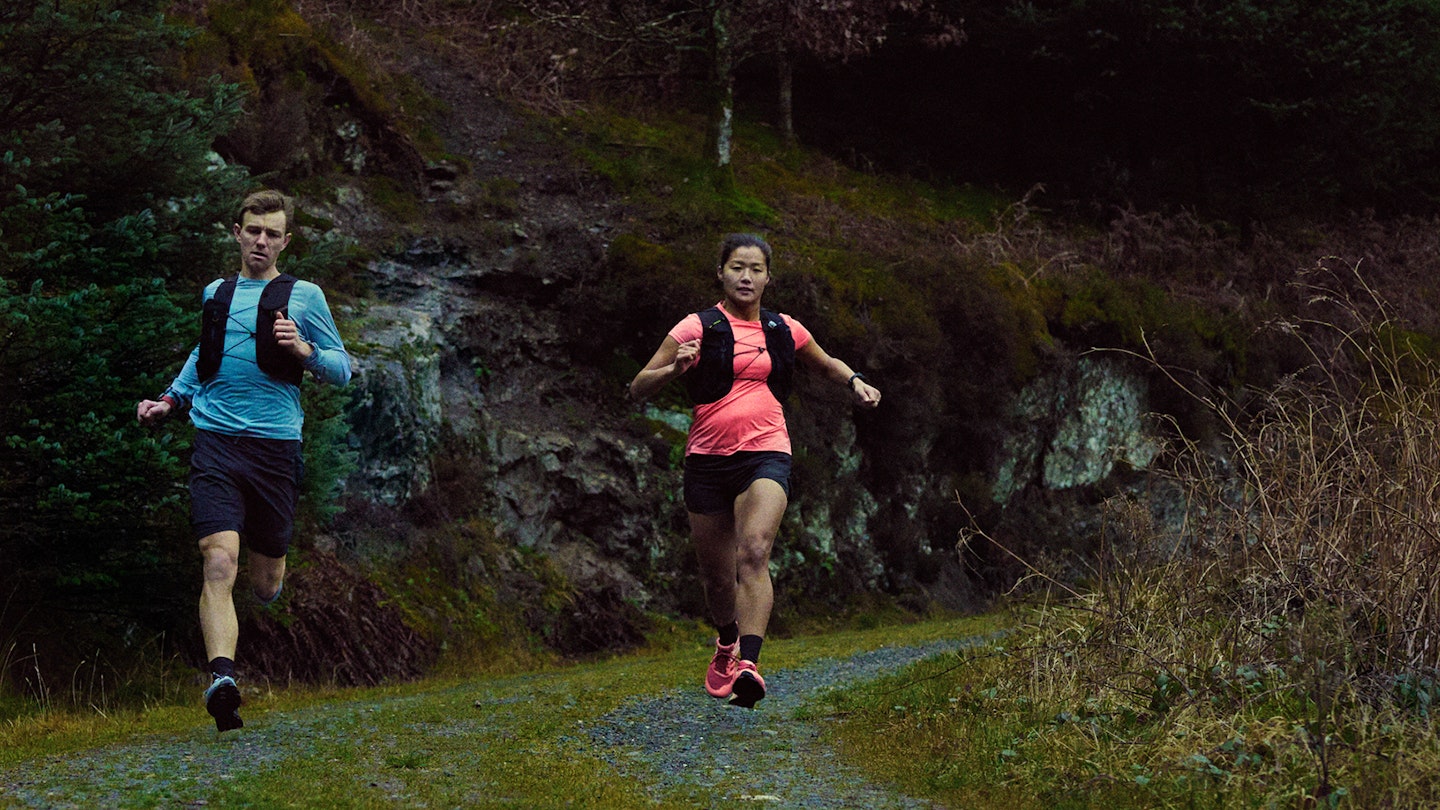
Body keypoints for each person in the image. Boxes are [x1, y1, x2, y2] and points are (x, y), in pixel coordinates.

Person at [628, 233, 881, 708]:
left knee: (755, 551)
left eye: (756, 269)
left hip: (766, 451)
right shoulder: (695, 326)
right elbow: (639, 386)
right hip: (706, 459)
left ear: (769, 277)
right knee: (718, 577)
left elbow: (827, 364)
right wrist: (673, 371)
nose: (746, 277)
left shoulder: (784, 328)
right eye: (737, 268)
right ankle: (726, 644)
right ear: (720, 273)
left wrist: (856, 382)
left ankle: (749, 665)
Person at [136, 189, 351, 731]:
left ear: (285, 241)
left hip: (275, 450)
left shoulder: (304, 296)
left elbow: (343, 368)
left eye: (272, 233)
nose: (261, 240)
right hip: (215, 441)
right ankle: (223, 680)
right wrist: (170, 399)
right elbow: (201, 355)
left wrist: (304, 351)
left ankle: (269, 586)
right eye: (252, 230)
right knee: (218, 560)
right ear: (236, 232)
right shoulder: (217, 292)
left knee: (265, 580)